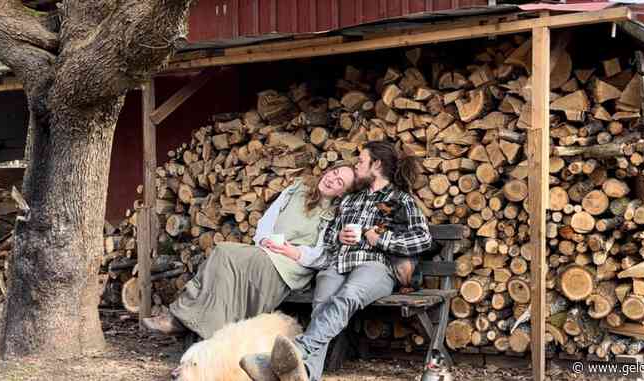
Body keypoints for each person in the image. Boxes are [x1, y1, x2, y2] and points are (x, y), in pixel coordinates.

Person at [241, 141, 432, 381]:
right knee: (322, 306)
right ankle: (307, 374)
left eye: (361, 161)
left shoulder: (400, 199)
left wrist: (380, 238)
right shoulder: (350, 200)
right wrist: (339, 236)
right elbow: (329, 238)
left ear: (376, 165)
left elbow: (422, 238)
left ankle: (293, 352)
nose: (356, 165)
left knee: (347, 296)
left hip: (375, 267)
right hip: (339, 264)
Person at [142, 164, 356, 340]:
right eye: (334, 172)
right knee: (224, 263)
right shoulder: (296, 188)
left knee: (225, 253)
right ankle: (208, 332)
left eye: (340, 182)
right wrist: (264, 239)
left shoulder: (333, 215)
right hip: (264, 251)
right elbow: (267, 220)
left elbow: (322, 254)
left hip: (289, 266)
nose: (332, 179)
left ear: (342, 193)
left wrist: (292, 251)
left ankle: (180, 318)